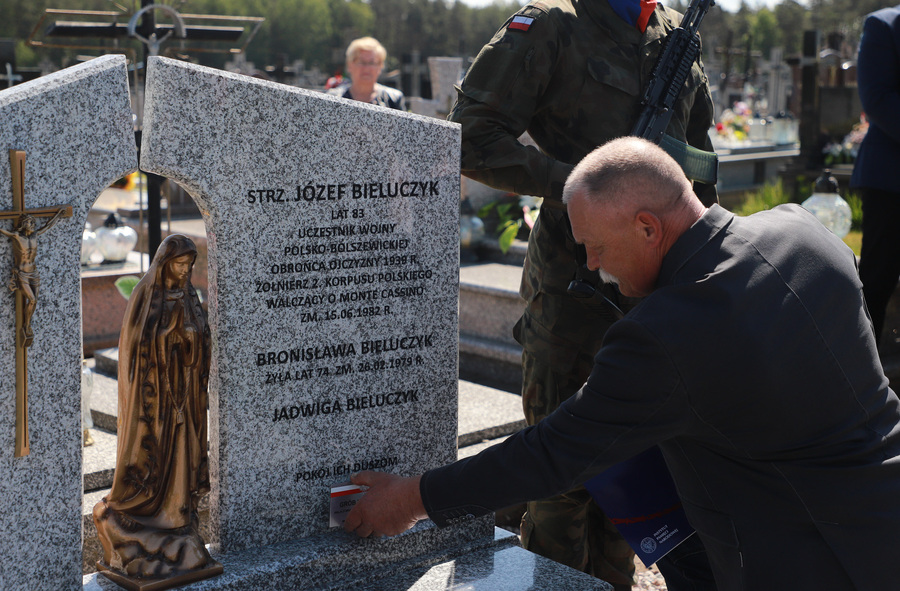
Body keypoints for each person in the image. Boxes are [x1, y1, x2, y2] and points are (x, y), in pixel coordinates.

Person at [345, 137, 900, 591]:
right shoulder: (804, 233)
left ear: (647, 227)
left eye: (597, 248)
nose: (591, 266)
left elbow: (552, 454)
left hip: (807, 562)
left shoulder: (666, 332)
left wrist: (411, 499)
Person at [447, 0, 718, 586]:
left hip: (654, 289)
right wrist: (579, 187)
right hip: (573, 287)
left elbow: (700, 166)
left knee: (635, 463)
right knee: (560, 475)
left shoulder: (674, 33)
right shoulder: (552, 24)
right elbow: (469, 136)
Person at [94, 235, 217, 580]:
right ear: (165, 263)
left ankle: (176, 520)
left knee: (183, 452)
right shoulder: (146, 296)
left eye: (189, 265)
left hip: (184, 394)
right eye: (179, 264)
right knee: (155, 455)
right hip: (155, 400)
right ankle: (144, 513)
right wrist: (170, 335)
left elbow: (202, 335)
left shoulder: (189, 294)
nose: (184, 271)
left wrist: (191, 333)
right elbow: (138, 347)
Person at [851, 4, 900, 347]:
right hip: (891, 184)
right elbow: (878, 99)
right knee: (877, 285)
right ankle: (861, 375)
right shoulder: (884, 26)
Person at [0, 210, 66, 347]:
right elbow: (3, 231)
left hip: (34, 273)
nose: (31, 224)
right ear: (23, 224)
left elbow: (47, 226)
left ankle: (27, 324)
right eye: (28, 222)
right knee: (32, 299)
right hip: (22, 274)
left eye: (32, 222)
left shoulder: (35, 235)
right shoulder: (17, 236)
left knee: (34, 302)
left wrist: (58, 215)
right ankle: (27, 325)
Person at [328, 37, 406, 111]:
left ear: (380, 66)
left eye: (372, 63)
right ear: (349, 65)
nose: (366, 68)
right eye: (361, 62)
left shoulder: (393, 100)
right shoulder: (334, 98)